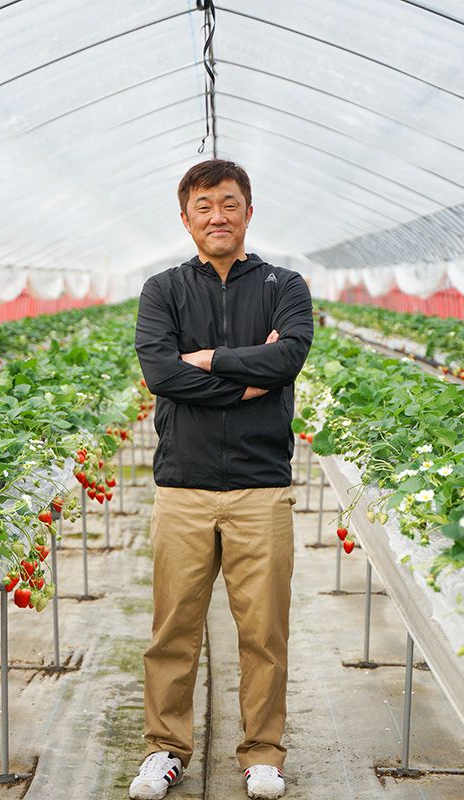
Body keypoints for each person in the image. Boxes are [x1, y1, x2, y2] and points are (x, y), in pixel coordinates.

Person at [128, 160, 313, 800]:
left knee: (263, 631)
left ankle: (263, 753)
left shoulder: (285, 285)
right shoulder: (163, 291)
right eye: (204, 206)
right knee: (173, 628)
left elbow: (290, 355)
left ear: (248, 211)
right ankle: (164, 750)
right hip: (182, 486)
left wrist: (208, 360)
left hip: (261, 487)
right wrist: (248, 381)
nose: (217, 216)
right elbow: (160, 374)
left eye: (229, 203)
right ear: (186, 219)